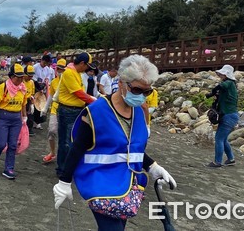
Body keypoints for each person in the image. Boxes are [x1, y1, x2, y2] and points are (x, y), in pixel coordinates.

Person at [52, 55, 177, 230]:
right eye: (137, 90)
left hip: (126, 185)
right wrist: (64, 182)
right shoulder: (96, 111)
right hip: (99, 182)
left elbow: (131, 148)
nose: (142, 96)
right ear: (121, 83)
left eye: (147, 92)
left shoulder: (139, 112)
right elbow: (77, 148)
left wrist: (152, 166)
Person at [55, 52, 97, 177]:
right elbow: (78, 93)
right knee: (67, 141)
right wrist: (95, 102)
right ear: (82, 63)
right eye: (87, 66)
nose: (87, 69)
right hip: (68, 110)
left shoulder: (77, 73)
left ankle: (66, 167)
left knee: (71, 140)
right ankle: (63, 169)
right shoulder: (69, 73)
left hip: (75, 110)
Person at [0, 64, 28, 180]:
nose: (20, 80)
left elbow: (23, 103)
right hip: (3, 117)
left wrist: (24, 117)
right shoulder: (3, 87)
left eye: (21, 77)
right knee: (1, 143)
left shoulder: (22, 88)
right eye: (17, 77)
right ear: (11, 76)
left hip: (16, 118)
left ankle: (9, 168)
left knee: (13, 144)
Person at [207, 64, 239, 168]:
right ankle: (231, 159)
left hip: (228, 116)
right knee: (223, 139)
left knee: (219, 139)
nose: (220, 75)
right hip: (231, 115)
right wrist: (212, 95)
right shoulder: (231, 86)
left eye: (222, 74)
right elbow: (220, 93)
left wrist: (212, 91)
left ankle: (218, 162)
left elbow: (220, 86)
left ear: (227, 75)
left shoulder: (229, 83)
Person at [41, 58, 66, 164]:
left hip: (66, 109)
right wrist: (45, 108)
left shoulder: (69, 81)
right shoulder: (54, 82)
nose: (59, 71)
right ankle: (52, 152)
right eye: (58, 69)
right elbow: (51, 96)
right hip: (55, 109)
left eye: (61, 69)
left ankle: (63, 155)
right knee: (51, 131)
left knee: (65, 135)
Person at [22, 65, 36, 136]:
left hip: (29, 100)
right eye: (29, 75)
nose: (30, 77)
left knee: (30, 116)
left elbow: (32, 93)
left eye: (31, 76)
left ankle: (29, 129)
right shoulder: (21, 81)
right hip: (22, 101)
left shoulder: (32, 82)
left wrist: (32, 104)